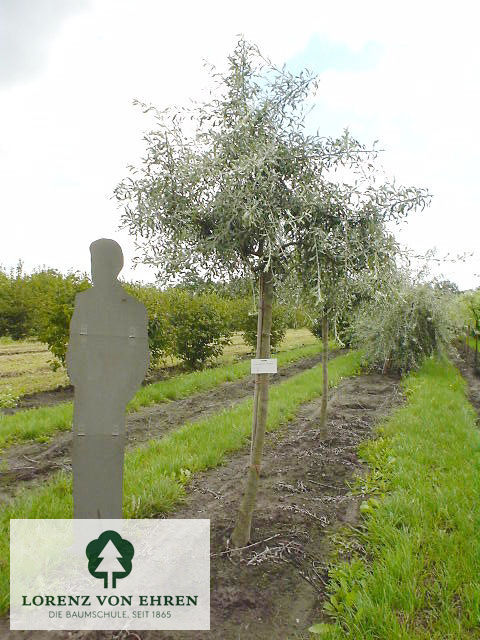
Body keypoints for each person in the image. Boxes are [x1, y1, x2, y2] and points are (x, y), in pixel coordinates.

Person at [66, 238, 149, 518]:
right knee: (84, 472)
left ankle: (108, 540)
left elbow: (139, 359)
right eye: (92, 262)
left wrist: (120, 394)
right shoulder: (83, 303)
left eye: (99, 262)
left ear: (116, 266)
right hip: (86, 403)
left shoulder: (133, 309)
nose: (94, 269)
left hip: (113, 404)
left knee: (110, 470)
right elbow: (73, 351)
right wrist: (84, 383)